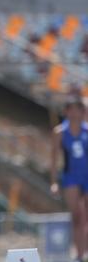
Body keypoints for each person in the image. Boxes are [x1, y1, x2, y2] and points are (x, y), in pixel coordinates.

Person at [50, 98, 88, 261]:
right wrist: (54, 182)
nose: (74, 113)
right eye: (70, 109)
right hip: (71, 177)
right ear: (66, 111)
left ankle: (84, 251)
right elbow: (54, 159)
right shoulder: (60, 132)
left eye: (77, 109)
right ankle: (78, 254)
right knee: (77, 216)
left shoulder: (87, 131)